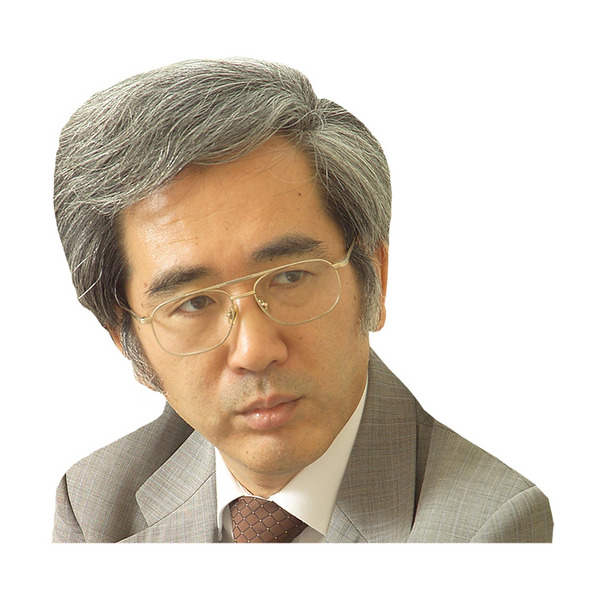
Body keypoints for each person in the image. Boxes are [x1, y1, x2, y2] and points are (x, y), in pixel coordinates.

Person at [52, 58, 552, 543]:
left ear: (373, 279)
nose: (255, 351)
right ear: (125, 340)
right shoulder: (95, 506)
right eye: (194, 303)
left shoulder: (490, 529)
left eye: (289, 277)